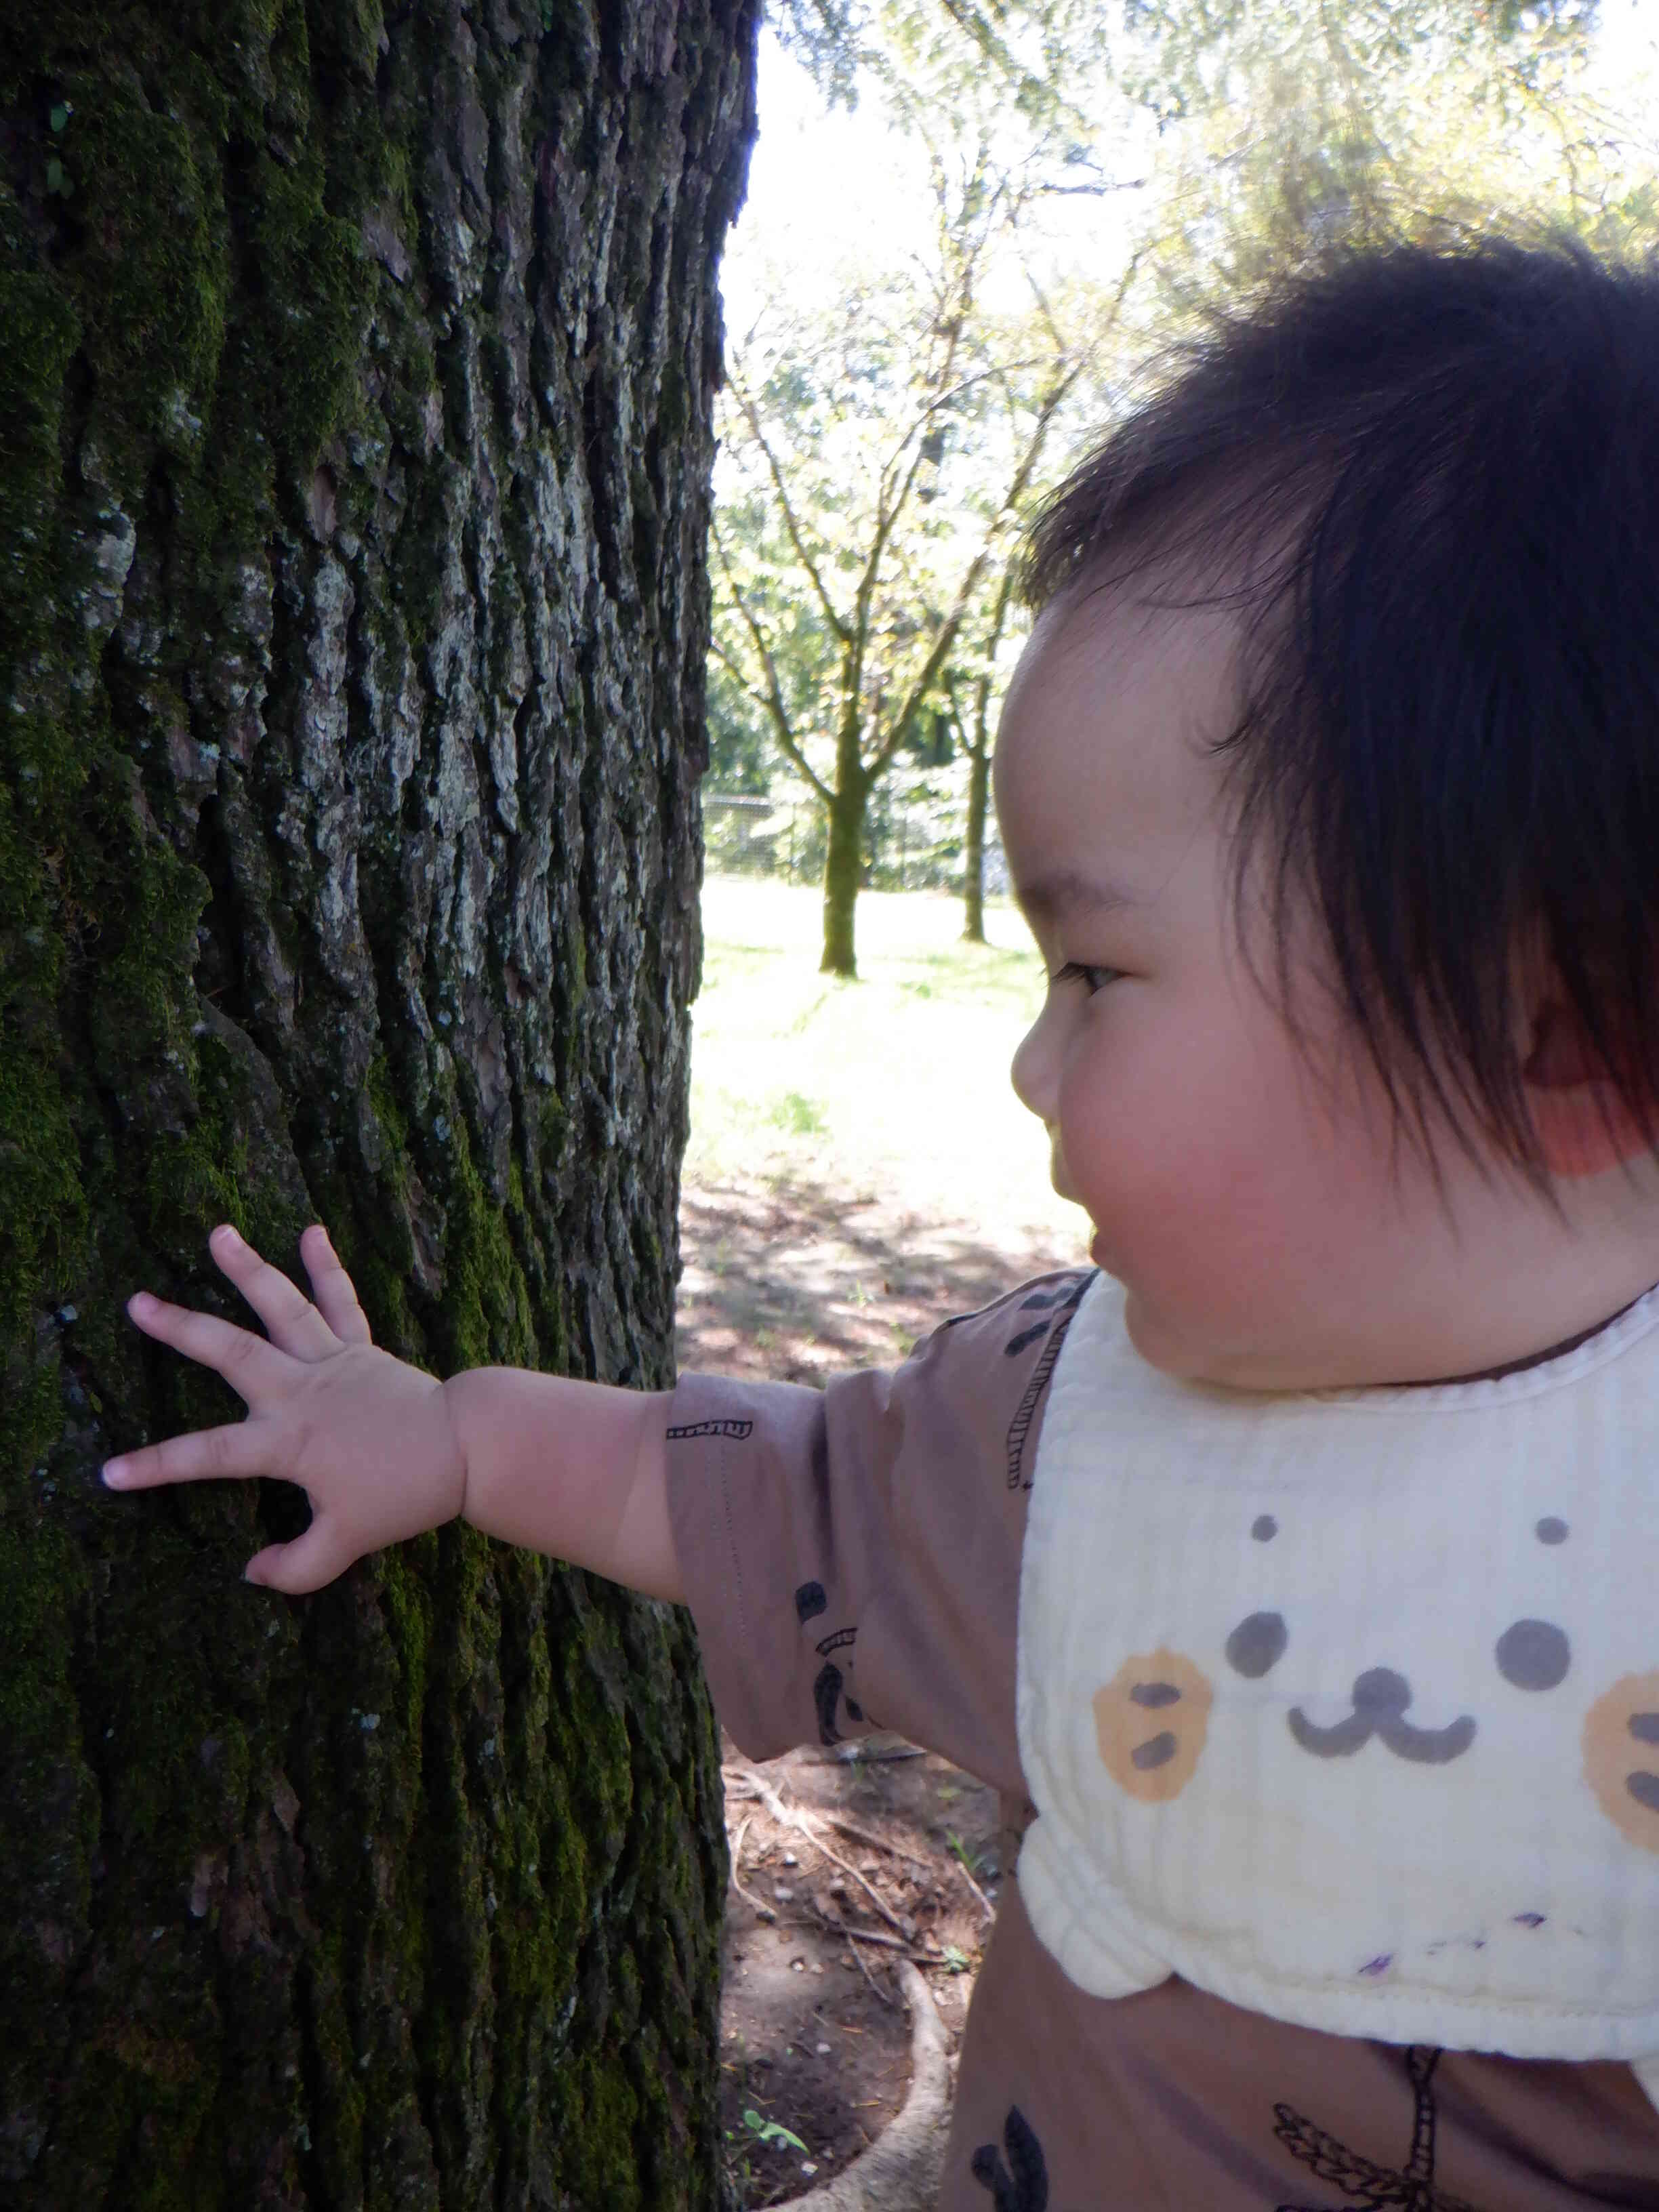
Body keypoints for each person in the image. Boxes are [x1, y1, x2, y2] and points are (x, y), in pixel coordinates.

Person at [103, 239, 1659, 2206]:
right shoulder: (1048, 1430)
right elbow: (778, 1487)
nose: (1032, 1061)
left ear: (1564, 1031)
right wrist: (449, 1434)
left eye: (1093, 970)